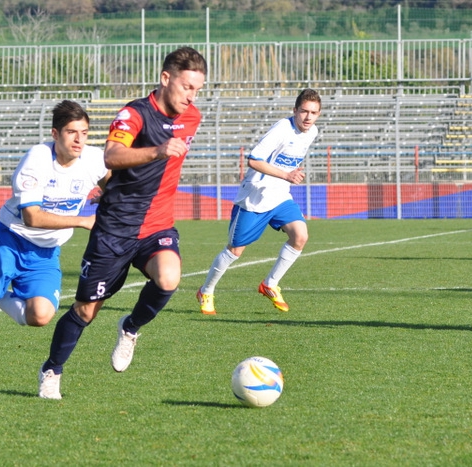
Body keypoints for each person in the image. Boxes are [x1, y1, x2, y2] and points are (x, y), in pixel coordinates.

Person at [37, 47, 207, 399]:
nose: (191, 96)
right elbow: (111, 155)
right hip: (114, 228)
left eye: (197, 90)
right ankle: (52, 370)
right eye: (187, 87)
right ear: (165, 79)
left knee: (169, 278)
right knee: (85, 310)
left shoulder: (192, 117)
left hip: (156, 224)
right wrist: (158, 150)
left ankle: (130, 328)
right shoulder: (134, 114)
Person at [0, 100, 110, 385]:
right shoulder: (37, 159)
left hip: (47, 252)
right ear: (55, 134)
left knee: (40, 316)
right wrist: (82, 220)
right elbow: (32, 218)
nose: (79, 139)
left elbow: (112, 179)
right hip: (10, 240)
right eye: (71, 132)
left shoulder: (94, 159)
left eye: (84, 132)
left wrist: (108, 193)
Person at [196, 88, 322, 315]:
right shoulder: (282, 129)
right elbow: (254, 160)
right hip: (255, 197)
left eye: (313, 113)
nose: (308, 117)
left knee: (300, 236)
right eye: (304, 111)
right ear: (295, 110)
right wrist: (286, 175)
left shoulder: (312, 132)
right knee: (235, 250)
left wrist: (288, 175)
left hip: (281, 196)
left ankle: (270, 284)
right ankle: (206, 290)